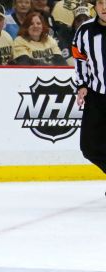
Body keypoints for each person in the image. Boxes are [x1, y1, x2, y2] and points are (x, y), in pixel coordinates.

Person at [72, 0, 106, 175]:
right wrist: (82, 84)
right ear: (95, 6)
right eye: (101, 3)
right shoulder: (85, 30)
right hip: (96, 95)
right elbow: (79, 57)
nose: (104, 7)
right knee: (89, 147)